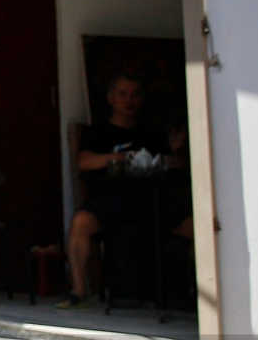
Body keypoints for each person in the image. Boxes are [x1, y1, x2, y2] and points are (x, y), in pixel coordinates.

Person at [61, 72, 187, 308]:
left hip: (149, 200)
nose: (128, 101)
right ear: (110, 98)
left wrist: (174, 152)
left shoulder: (152, 134)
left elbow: (173, 165)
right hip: (110, 201)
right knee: (80, 222)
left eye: (135, 95)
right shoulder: (96, 132)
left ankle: (203, 291)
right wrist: (119, 158)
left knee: (196, 226)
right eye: (122, 94)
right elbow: (84, 161)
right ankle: (78, 291)